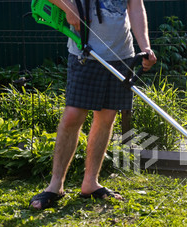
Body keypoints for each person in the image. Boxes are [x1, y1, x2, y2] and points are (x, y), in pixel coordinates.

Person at [30, 0, 157, 209]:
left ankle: (90, 182)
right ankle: (55, 185)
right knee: (73, 115)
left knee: (107, 117)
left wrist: (145, 46)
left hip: (121, 55)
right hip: (85, 53)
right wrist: (67, 7)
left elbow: (135, 7)